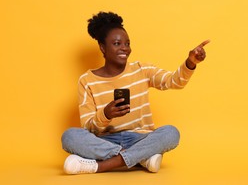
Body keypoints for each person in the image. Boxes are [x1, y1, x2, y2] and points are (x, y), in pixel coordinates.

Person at [61, 11, 209, 174]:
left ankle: (101, 165)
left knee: (171, 133)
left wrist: (191, 62)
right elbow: (88, 128)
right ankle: (142, 159)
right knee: (69, 136)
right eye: (117, 44)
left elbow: (174, 82)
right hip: (105, 141)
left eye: (127, 43)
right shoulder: (86, 80)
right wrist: (106, 114)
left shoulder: (142, 70)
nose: (124, 48)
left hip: (141, 139)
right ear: (103, 48)